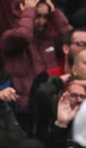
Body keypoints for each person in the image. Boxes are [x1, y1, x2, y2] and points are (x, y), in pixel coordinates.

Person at [0, 0, 72, 132]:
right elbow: (23, 36)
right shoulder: (8, 38)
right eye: (37, 16)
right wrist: (29, 11)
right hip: (22, 112)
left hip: (50, 108)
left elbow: (71, 40)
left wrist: (55, 13)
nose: (41, 22)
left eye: (45, 17)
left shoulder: (49, 39)